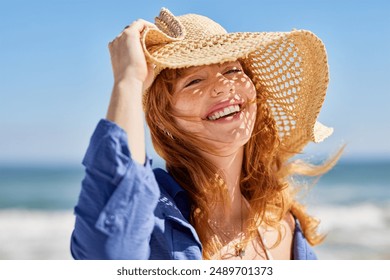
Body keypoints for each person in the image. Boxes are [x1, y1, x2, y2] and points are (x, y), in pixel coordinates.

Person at [71, 8, 340, 260]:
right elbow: (108, 251)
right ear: (164, 118)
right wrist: (128, 79)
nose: (223, 87)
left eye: (233, 69)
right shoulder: (155, 219)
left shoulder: (285, 222)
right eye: (194, 81)